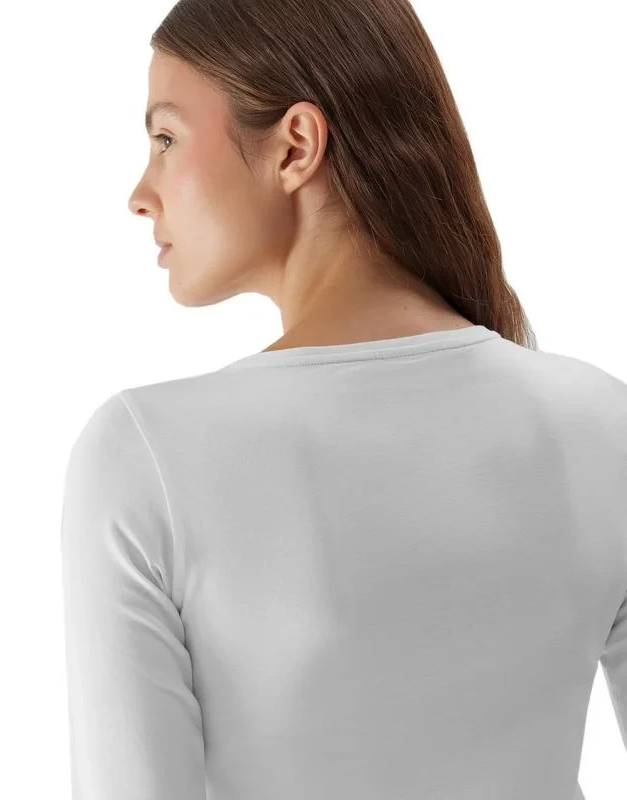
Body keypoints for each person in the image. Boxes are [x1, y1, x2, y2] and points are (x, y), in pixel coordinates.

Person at [59, 1, 627, 798]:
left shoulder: (144, 455)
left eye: (165, 139)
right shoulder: (603, 425)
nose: (140, 193)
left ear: (295, 145)